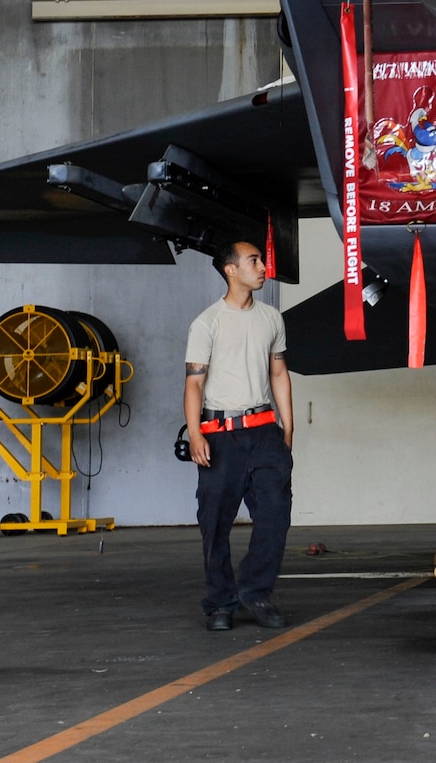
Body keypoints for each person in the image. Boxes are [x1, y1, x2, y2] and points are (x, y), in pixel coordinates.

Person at [185, 238, 295, 631]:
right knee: (215, 523)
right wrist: (196, 433)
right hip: (220, 435)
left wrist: (288, 428)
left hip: (265, 431)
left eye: (261, 260)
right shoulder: (207, 322)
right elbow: (194, 384)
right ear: (230, 270)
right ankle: (220, 604)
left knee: (275, 515)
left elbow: (278, 373)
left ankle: (257, 591)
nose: (263, 266)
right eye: (254, 261)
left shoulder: (271, 319)